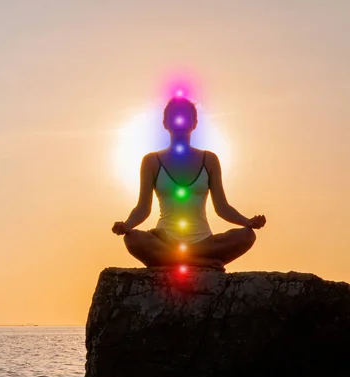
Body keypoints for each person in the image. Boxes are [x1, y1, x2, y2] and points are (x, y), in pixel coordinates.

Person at [112, 97, 266, 271]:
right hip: (165, 241)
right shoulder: (151, 161)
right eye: (174, 116)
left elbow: (222, 207)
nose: (180, 121)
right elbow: (142, 208)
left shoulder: (210, 160)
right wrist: (128, 225)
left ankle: (179, 260)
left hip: (203, 244)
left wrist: (248, 221)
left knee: (247, 236)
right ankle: (197, 262)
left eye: (185, 117)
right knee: (132, 238)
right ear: (165, 123)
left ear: (194, 123)